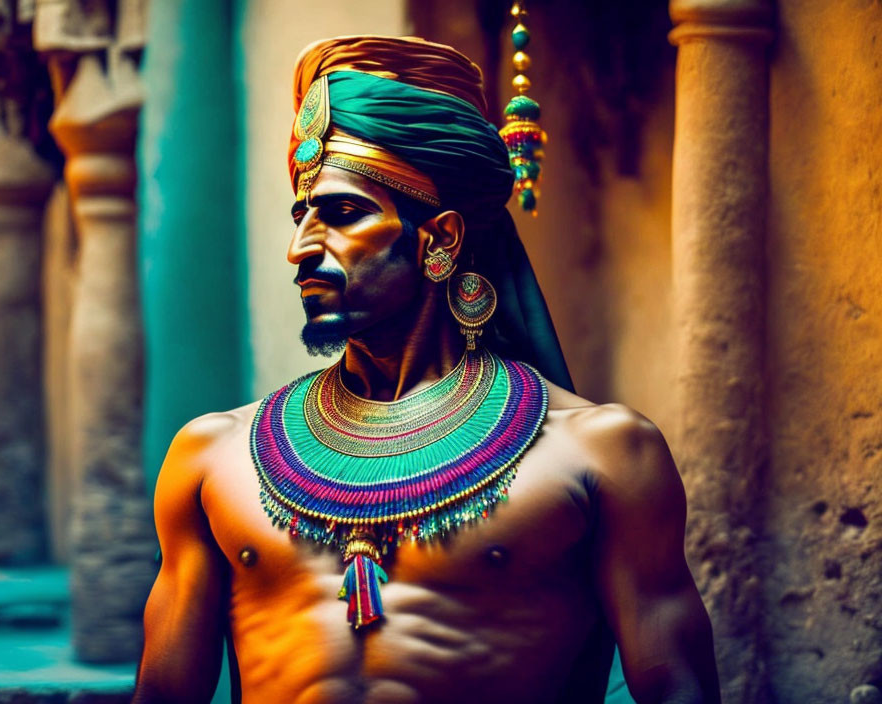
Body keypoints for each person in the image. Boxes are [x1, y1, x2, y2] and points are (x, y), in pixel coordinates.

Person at [134, 36, 720, 704]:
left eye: (342, 213)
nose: (300, 249)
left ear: (439, 238)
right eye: (301, 216)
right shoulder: (210, 457)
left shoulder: (604, 456)